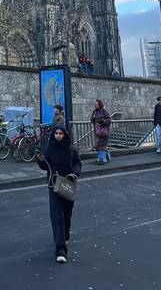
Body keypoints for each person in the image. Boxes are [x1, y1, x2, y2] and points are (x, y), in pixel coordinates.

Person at [36, 125, 82, 263]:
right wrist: (40, 160)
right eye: (56, 133)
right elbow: (46, 166)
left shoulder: (71, 149)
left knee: (67, 212)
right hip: (54, 184)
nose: (58, 136)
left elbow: (78, 164)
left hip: (68, 183)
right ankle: (60, 249)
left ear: (65, 135)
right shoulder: (49, 148)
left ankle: (66, 233)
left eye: (61, 133)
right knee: (57, 215)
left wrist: (74, 175)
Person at [91, 99, 111, 163]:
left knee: (102, 145)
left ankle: (102, 159)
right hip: (97, 131)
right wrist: (93, 118)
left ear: (100, 104)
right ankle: (103, 156)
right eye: (95, 104)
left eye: (97, 104)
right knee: (98, 145)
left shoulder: (104, 111)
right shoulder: (94, 112)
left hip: (104, 130)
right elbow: (91, 120)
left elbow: (109, 119)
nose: (96, 105)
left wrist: (102, 121)